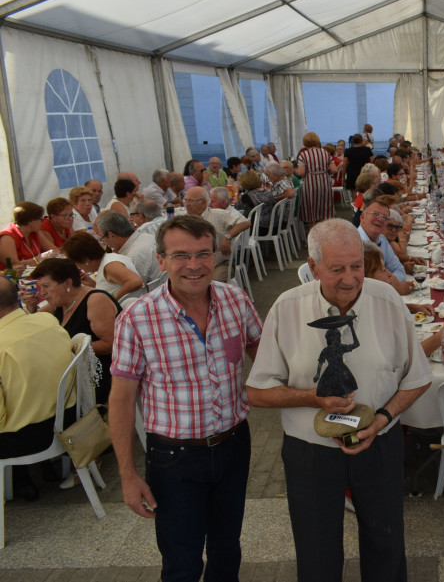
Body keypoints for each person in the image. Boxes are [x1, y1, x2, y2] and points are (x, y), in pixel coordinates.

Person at [245, 218, 432, 582]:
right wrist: (311, 399)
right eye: (336, 269)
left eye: (356, 266)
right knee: (316, 550)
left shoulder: (388, 300)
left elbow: (418, 378)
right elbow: (257, 392)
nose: (349, 278)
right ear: (313, 267)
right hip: (310, 449)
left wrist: (381, 419)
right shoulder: (287, 307)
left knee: (386, 540)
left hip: (378, 442)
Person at [109, 215, 262, 581]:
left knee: (228, 548)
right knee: (182, 560)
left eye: (202, 254)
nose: (193, 265)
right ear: (161, 260)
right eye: (180, 255)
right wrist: (128, 475)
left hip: (233, 445)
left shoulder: (235, 300)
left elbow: (268, 355)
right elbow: (121, 400)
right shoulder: (137, 317)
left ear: (215, 255)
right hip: (173, 458)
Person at [0, 276, 76, 501]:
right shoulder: (47, 321)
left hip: (31, 436)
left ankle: (20, 482)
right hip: (69, 418)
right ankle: (25, 479)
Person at [24, 257, 121, 404]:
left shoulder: (95, 301)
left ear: (68, 283)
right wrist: (31, 308)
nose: (42, 293)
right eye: (40, 287)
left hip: (105, 379)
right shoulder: (60, 303)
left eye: (46, 286)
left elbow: (111, 344)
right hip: (78, 374)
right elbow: (32, 324)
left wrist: (69, 348)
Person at [62, 231, 144, 303]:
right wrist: (93, 285)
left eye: (76, 263)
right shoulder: (109, 258)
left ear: (85, 260)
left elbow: (136, 281)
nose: (78, 267)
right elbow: (113, 286)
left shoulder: (110, 265)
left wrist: (112, 299)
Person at [94, 211, 161, 285]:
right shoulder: (147, 236)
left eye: (102, 237)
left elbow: (136, 289)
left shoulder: (132, 257)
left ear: (111, 235)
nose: (104, 242)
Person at [296, 131, 338, 231]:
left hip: (310, 185)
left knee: (311, 214)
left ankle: (313, 240)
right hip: (324, 184)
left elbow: (301, 172)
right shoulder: (326, 153)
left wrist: (296, 171)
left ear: (305, 142)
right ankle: (326, 238)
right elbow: (334, 170)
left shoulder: (303, 155)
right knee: (325, 213)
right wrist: (324, 171)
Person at [0, 202, 50, 271]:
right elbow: (16, 266)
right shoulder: (7, 237)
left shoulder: (35, 232)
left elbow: (54, 251)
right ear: (30, 220)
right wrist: (39, 259)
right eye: (41, 219)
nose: (43, 222)